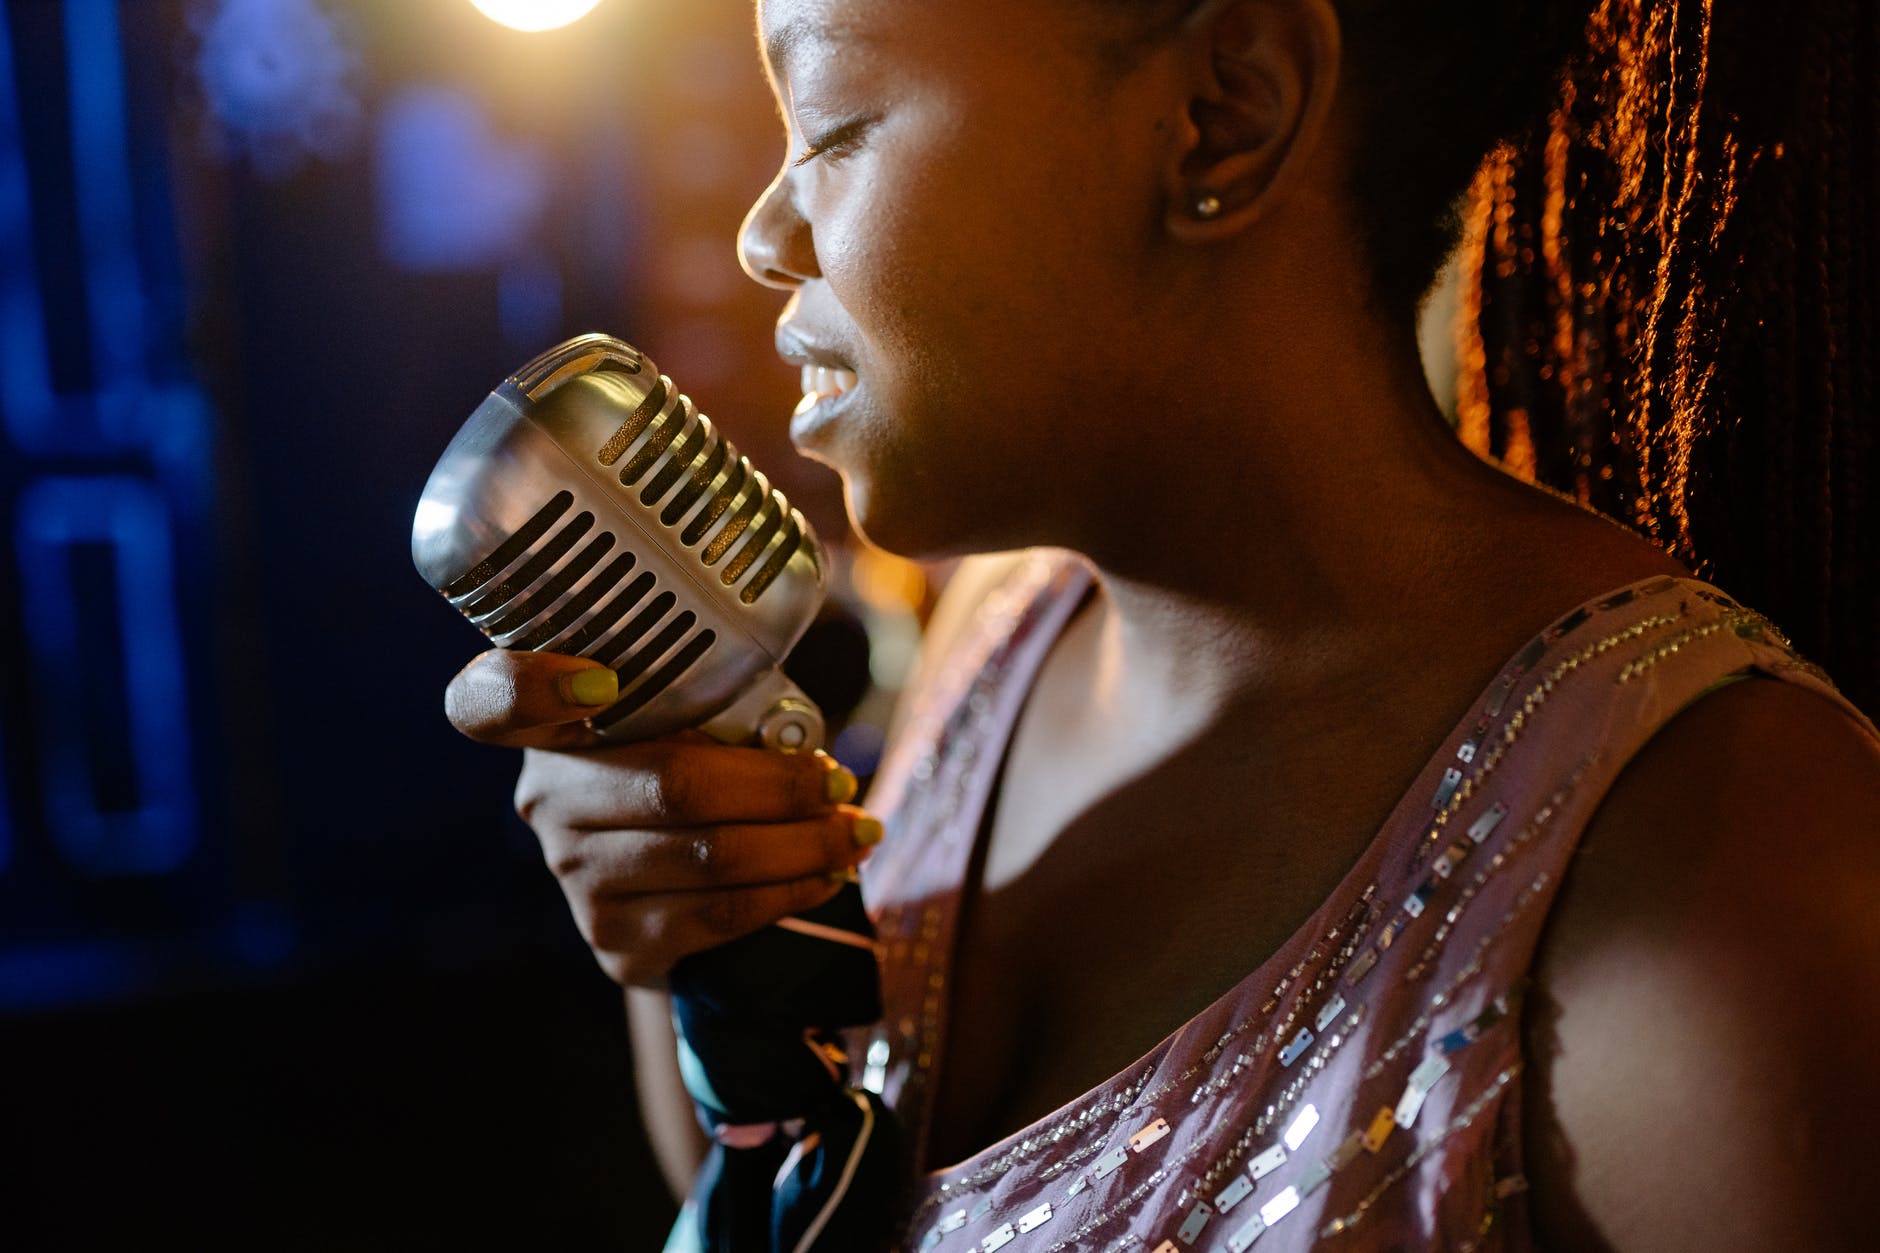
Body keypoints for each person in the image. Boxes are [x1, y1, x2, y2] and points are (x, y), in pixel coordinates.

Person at [443, 0, 1880, 1248]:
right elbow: (806, 1198)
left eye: (828, 125)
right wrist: (700, 938)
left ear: (1222, 115)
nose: (764, 234)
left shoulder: (1715, 887)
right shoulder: (1000, 642)